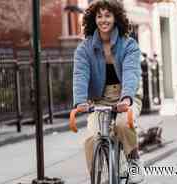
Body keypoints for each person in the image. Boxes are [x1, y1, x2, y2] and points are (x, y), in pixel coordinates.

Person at [72, 0, 144, 183]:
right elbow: (80, 74)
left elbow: (131, 73)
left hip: (126, 95)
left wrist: (127, 98)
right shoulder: (84, 48)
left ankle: (134, 159)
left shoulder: (128, 45)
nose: (103, 20)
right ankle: (97, 175)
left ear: (116, 18)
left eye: (108, 15)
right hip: (100, 99)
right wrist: (80, 101)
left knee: (122, 125)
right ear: (93, 19)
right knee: (91, 139)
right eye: (99, 16)